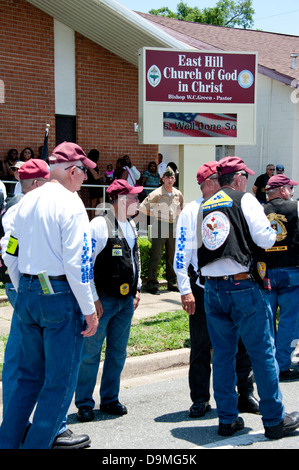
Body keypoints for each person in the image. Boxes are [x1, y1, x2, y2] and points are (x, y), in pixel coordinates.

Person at [0, 142, 99, 449]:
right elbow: (77, 263)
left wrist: (23, 284)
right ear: (72, 171)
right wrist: (89, 309)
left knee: (26, 381)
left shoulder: (25, 202)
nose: (85, 179)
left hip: (28, 290)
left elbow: (9, 251)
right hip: (59, 295)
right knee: (59, 384)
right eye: (84, 172)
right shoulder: (71, 204)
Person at [198, 155, 299, 439]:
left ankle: (227, 419)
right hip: (242, 286)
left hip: (213, 289)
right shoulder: (245, 200)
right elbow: (266, 238)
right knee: (262, 354)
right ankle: (275, 420)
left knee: (223, 357)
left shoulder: (206, 205)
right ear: (240, 178)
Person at [174, 161, 259, 418]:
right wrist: (185, 290)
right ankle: (200, 398)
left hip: (237, 283)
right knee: (201, 344)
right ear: (208, 183)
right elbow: (181, 252)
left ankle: (245, 393)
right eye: (217, 178)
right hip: (202, 286)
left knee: (242, 343)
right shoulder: (192, 210)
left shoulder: (234, 203)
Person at [75, 179, 142, 422]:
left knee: (117, 353)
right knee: (90, 355)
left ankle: (110, 399)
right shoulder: (99, 225)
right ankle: (84, 403)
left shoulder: (131, 226)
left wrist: (137, 289)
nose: (137, 201)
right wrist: (92, 299)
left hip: (125, 303)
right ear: (120, 200)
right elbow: (86, 265)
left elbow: (135, 259)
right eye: (134, 197)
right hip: (103, 301)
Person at [263, 174, 299, 381]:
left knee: (267, 322)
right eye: (290, 189)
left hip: (265, 273)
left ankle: (269, 367)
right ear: (283, 190)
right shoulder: (296, 207)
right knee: (290, 321)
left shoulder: (258, 210)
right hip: (292, 272)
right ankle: (283, 364)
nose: (292, 192)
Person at [140, 166, 184, 294]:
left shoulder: (177, 193)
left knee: (172, 255)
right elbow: (142, 207)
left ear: (174, 179)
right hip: (160, 225)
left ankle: (172, 282)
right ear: (163, 179)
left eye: (172, 177)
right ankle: (152, 283)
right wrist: (155, 214)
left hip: (173, 225)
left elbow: (182, 207)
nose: (170, 180)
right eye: (167, 177)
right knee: (156, 255)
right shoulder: (157, 193)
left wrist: (177, 216)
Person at [86, 149, 103, 219]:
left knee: (101, 203)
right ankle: (92, 218)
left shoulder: (94, 165)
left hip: (98, 185)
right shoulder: (89, 166)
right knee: (93, 204)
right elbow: (96, 177)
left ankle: (100, 218)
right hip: (94, 185)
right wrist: (102, 175)